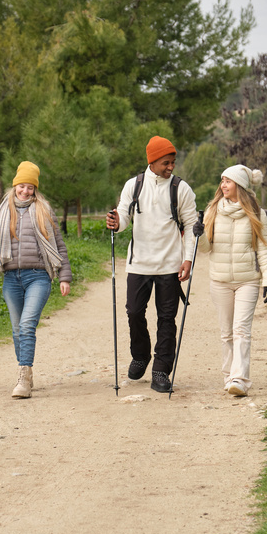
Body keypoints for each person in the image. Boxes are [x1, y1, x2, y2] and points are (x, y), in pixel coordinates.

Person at [105, 136, 198, 393]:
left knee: (167, 319)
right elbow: (123, 216)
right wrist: (116, 222)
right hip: (139, 264)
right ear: (152, 161)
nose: (171, 167)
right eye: (166, 162)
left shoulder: (181, 189)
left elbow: (191, 225)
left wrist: (188, 258)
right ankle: (141, 355)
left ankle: (160, 370)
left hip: (169, 265)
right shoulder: (133, 186)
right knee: (134, 312)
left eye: (173, 162)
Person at [0, 161, 72, 398]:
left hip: (38, 276)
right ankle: (26, 372)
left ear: (35, 189)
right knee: (16, 330)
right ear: (15, 185)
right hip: (11, 277)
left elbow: (58, 244)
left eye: (30, 187)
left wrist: (64, 276)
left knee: (27, 325)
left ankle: (23, 376)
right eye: (22, 186)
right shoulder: (2, 211)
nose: (25, 191)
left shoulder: (44, 209)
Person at [193, 164, 267, 397]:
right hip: (219, 281)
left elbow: (264, 248)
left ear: (239, 185)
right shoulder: (213, 211)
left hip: (247, 280)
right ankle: (229, 376)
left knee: (241, 330)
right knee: (226, 332)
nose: (223, 185)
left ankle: (240, 379)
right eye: (222, 181)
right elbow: (206, 248)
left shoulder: (256, 212)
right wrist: (198, 235)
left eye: (228, 181)